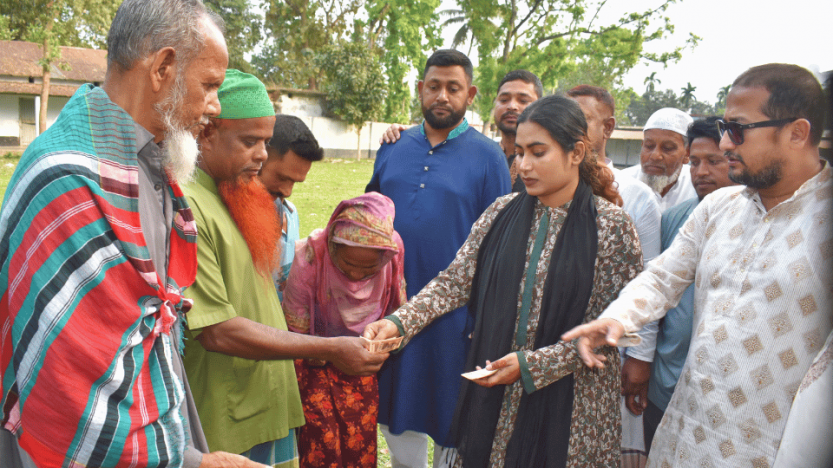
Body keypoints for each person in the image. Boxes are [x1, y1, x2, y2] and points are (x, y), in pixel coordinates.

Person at [0, 1, 267, 466]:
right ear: (163, 67)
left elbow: (149, 332)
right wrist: (190, 461)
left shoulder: (150, 163)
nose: (215, 105)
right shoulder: (69, 181)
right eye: (209, 86)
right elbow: (74, 394)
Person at [563, 63, 832, 468]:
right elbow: (661, 278)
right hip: (684, 439)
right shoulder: (719, 208)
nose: (725, 143)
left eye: (738, 129)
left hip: (772, 451)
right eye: (725, 127)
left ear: (797, 132)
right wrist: (617, 318)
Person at [365, 95, 642, 468]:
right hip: (496, 396)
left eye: (538, 152)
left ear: (576, 153)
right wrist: (397, 322)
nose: (523, 165)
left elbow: (617, 326)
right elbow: (454, 282)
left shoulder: (612, 227)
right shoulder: (500, 213)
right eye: (521, 152)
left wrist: (534, 365)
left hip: (574, 407)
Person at [182, 70, 387, 467]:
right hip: (224, 417)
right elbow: (217, 331)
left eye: (264, 142)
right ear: (206, 134)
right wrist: (330, 349)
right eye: (249, 141)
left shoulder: (242, 196)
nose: (261, 154)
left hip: (269, 405)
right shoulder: (188, 207)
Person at [366, 49, 511, 467]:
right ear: (420, 90)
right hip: (391, 305)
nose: (442, 96)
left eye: (453, 88)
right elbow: (369, 216)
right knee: (398, 408)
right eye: (434, 86)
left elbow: (498, 245)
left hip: (455, 315)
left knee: (451, 411)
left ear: (471, 94)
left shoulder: (488, 156)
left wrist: (481, 319)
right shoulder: (394, 146)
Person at [566, 83, 662, 467]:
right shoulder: (552, 186)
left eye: (583, 120)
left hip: (612, 348)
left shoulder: (637, 196)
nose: (571, 129)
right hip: (558, 341)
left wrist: (639, 357)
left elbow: (651, 281)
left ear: (608, 127)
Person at [633, 116, 737, 452]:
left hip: (723, 392)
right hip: (666, 383)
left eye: (714, 161)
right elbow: (657, 292)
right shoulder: (677, 219)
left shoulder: (757, 221)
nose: (701, 172)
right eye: (695, 162)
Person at [282, 192, 407, 468]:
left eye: (369, 268)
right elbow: (295, 332)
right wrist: (332, 351)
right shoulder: (311, 257)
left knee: (358, 443)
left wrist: (379, 344)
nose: (356, 276)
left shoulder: (392, 253)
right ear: (333, 247)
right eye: (349, 264)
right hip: (312, 363)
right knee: (319, 443)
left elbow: (398, 315)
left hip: (362, 366)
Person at [380, 69, 542, 193]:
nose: (511, 106)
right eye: (504, 99)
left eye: (523, 100)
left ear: (541, 106)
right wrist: (415, 136)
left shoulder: (547, 162)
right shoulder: (482, 154)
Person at [258, 115, 324, 301]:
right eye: (281, 177)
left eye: (295, 182)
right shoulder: (233, 219)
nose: (287, 191)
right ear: (259, 156)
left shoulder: (291, 213)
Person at [621, 108, 697, 211]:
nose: (655, 156)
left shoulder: (697, 188)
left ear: (687, 153)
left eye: (668, 148)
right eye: (649, 146)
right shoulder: (620, 184)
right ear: (642, 145)